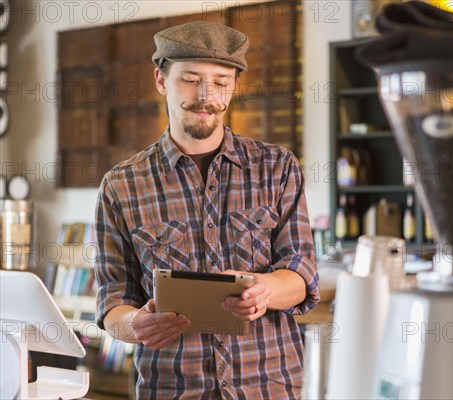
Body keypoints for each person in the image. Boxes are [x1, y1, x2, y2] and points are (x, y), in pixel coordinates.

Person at [94, 21, 320, 399]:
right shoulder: (121, 185)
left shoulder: (278, 167)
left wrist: (263, 290)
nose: (206, 95)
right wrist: (136, 325)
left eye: (221, 81)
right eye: (191, 78)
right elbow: (112, 304)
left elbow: (302, 273)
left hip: (273, 387)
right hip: (172, 389)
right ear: (161, 80)